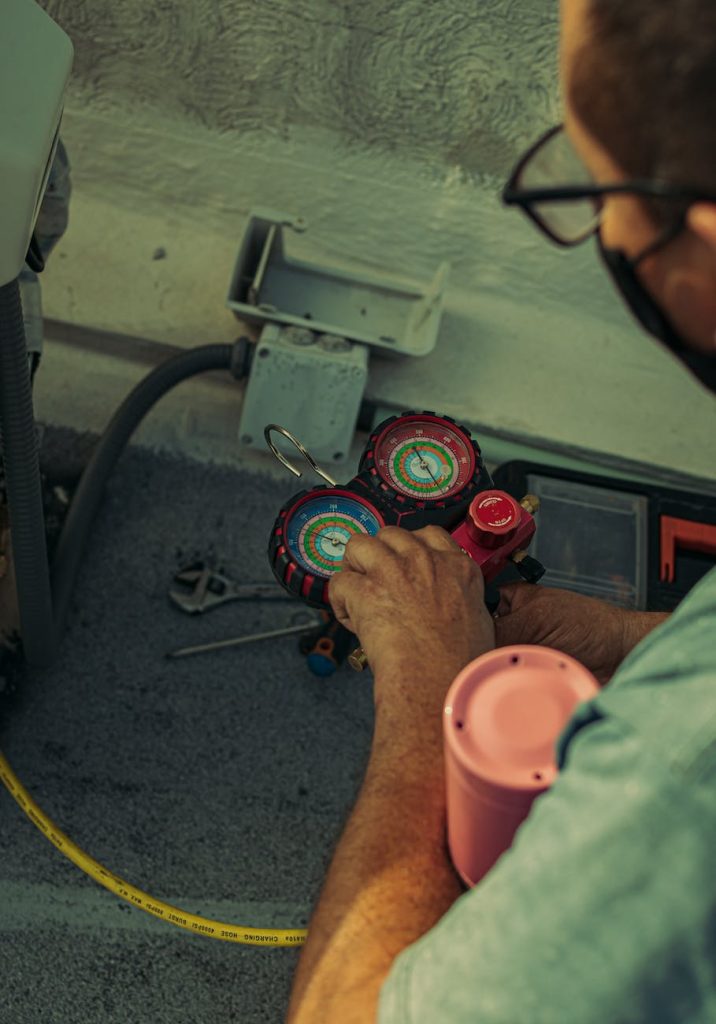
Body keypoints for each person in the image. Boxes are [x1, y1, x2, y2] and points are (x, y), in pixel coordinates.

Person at [286, 1, 716, 1021]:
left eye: (592, 185)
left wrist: (423, 693)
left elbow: (344, 1011)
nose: (602, 231)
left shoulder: (676, 772)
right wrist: (630, 640)